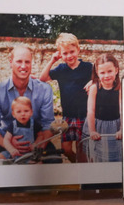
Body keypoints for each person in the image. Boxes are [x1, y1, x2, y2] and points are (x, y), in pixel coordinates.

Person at [0, 45, 55, 158]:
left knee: (54, 161)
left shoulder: (44, 90)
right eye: (19, 61)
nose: (23, 66)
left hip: (35, 140)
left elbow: (48, 125)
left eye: (27, 62)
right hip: (5, 140)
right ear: (10, 62)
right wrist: (9, 144)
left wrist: (37, 145)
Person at [39, 33, 93, 162]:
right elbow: (43, 78)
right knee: (66, 148)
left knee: (81, 149)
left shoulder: (87, 67)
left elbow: (99, 79)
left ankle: (82, 171)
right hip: (67, 116)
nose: (69, 56)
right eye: (65, 53)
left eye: (72, 51)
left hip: (83, 115)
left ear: (78, 50)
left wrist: (93, 82)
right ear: (60, 54)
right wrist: (52, 60)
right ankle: (77, 165)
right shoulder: (61, 69)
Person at [82, 53, 122, 162]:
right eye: (102, 73)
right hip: (97, 125)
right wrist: (92, 131)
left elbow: (122, 110)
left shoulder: (120, 88)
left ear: (116, 70)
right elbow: (90, 111)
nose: (106, 75)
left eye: (110, 71)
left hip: (115, 126)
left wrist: (122, 129)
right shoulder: (94, 88)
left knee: (116, 156)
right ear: (97, 73)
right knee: (96, 157)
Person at [0, 96, 41, 161]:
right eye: (19, 112)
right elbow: (6, 140)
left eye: (26, 111)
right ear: (13, 114)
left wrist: (35, 144)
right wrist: (11, 149)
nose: (23, 114)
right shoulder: (13, 125)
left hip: (30, 154)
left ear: (31, 112)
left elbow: (41, 136)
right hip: (14, 153)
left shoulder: (34, 124)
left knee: (38, 162)